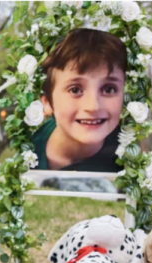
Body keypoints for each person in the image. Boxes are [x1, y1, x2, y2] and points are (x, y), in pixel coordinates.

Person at [32, 29, 126, 172]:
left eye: (108, 89)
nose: (93, 106)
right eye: (75, 90)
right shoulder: (27, 150)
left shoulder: (130, 165)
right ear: (46, 102)